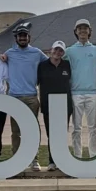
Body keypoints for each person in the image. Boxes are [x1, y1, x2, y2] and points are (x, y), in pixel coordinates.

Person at [2, 22, 47, 171]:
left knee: (32, 130)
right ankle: (17, 159)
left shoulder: (37, 53)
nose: (22, 38)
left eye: (25, 36)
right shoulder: (9, 53)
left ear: (29, 37)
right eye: (20, 36)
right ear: (16, 38)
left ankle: (34, 160)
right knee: (16, 131)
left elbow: (50, 64)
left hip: (31, 97)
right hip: (14, 97)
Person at [63, 18, 96, 159]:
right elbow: (55, 61)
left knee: (93, 128)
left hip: (93, 93)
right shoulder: (69, 51)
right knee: (77, 129)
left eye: (85, 28)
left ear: (89, 31)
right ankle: (77, 156)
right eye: (80, 28)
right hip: (76, 93)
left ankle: (93, 155)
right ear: (76, 32)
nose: (83, 30)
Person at [37, 40, 72, 171]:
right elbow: (36, 82)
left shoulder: (67, 65)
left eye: (60, 50)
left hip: (65, 105)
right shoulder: (42, 66)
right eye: (56, 50)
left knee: (62, 134)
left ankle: (62, 161)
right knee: (51, 134)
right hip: (48, 105)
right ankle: (52, 161)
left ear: (63, 53)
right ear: (51, 50)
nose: (58, 52)